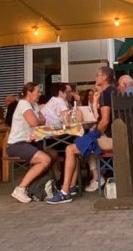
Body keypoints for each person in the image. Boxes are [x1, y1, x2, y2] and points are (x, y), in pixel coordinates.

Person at [48, 67, 116, 204]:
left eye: (98, 75)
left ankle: (65, 192)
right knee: (80, 142)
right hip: (117, 135)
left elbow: (105, 120)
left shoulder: (106, 93)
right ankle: (80, 183)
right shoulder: (114, 91)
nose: (96, 77)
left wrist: (94, 134)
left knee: (70, 149)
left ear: (104, 77)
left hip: (109, 139)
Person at [7, 82, 52, 203]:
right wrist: (38, 120)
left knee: (53, 154)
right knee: (45, 160)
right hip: (17, 144)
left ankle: (40, 187)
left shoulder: (34, 105)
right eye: (37, 92)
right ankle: (20, 188)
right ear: (29, 93)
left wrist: (38, 120)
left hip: (30, 142)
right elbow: (35, 123)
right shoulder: (24, 104)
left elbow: (43, 120)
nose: (40, 94)